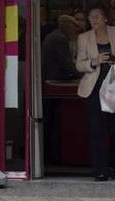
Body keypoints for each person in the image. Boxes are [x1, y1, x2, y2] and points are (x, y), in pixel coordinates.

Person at [76, 0, 115, 181]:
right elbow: (79, 64)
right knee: (96, 130)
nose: (94, 20)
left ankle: (111, 163)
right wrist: (94, 61)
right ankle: (99, 170)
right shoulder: (84, 38)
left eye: (97, 16)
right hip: (92, 89)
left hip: (114, 87)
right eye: (91, 17)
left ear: (106, 18)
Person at [41, 15, 83, 164]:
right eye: (75, 28)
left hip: (50, 83)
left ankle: (50, 155)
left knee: (51, 121)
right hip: (53, 85)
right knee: (54, 122)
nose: (76, 32)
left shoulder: (55, 37)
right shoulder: (60, 39)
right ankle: (53, 155)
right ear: (68, 27)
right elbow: (67, 64)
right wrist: (85, 72)